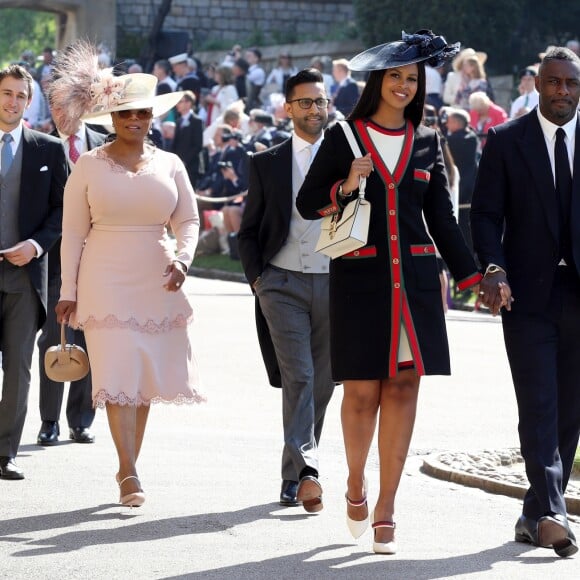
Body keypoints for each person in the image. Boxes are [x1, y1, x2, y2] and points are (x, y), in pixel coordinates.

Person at [296, 30, 482, 554]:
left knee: (403, 390)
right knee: (361, 393)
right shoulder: (343, 137)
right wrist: (344, 186)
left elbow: (442, 218)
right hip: (360, 282)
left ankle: (386, 510)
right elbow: (309, 203)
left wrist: (473, 277)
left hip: (417, 286)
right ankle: (355, 483)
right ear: (378, 81)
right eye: (395, 76)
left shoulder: (427, 139)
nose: (403, 85)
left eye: (412, 79)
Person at [52, 42, 205, 507]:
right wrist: (68, 290)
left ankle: (127, 466)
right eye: (125, 115)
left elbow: (189, 220)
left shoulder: (171, 163)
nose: (134, 121)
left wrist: (183, 259)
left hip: (158, 280)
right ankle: (129, 472)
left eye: (141, 114)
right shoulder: (87, 166)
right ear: (112, 120)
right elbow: (72, 234)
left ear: (151, 117)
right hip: (104, 281)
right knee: (118, 374)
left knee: (141, 383)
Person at [471, 46, 580, 558]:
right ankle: (555, 512)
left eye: (571, 84)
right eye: (554, 83)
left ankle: (534, 511)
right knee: (538, 403)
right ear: (537, 85)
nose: (563, 92)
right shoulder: (506, 140)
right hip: (526, 297)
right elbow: (486, 215)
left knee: (569, 410)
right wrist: (493, 268)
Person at [238, 68, 335, 512]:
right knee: (299, 376)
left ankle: (294, 472)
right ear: (288, 108)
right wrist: (259, 280)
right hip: (281, 282)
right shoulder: (266, 161)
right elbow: (249, 230)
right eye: (305, 102)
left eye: (320, 101)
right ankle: (307, 472)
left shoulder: (349, 155)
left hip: (336, 281)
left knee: (324, 382)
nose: (314, 109)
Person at [0, 64, 68, 480]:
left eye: (20, 96)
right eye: (6, 93)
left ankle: (5, 451)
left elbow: (66, 210)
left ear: (29, 101)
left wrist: (38, 244)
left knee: (20, 368)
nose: (12, 102)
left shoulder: (48, 149)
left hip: (25, 279)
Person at [35, 90, 108, 447]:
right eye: (57, 105)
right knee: (53, 339)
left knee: (91, 340)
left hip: (99, 259)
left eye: (72, 104)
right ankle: (49, 421)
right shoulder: (41, 145)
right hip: (54, 260)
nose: (65, 112)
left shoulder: (104, 143)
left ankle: (82, 419)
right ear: (51, 108)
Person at [172, 90, 203, 188]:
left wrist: (185, 161)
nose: (177, 104)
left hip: (190, 166)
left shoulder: (196, 121)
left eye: (180, 101)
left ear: (189, 103)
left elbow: (198, 145)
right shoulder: (178, 121)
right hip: (178, 165)